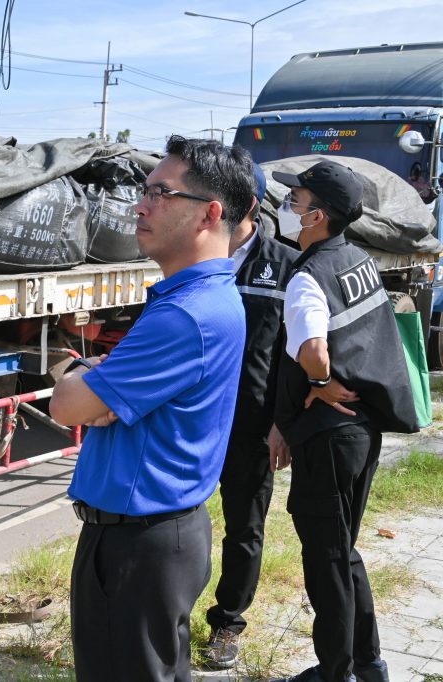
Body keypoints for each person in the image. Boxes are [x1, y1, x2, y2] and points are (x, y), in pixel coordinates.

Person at [49, 135, 252, 681]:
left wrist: (83, 377)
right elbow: (85, 404)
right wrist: (100, 385)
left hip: (141, 543)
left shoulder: (187, 315)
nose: (139, 205)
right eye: (144, 191)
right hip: (140, 536)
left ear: (210, 213)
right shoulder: (192, 300)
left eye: (161, 193)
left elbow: (66, 406)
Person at [269, 160, 420, 682]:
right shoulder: (355, 259)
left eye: (296, 200)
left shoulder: (308, 275)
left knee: (326, 561)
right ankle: (367, 663)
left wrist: (315, 383)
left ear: (318, 215)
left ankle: (337, 672)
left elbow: (312, 349)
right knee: (343, 551)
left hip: (330, 435)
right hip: (359, 431)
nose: (289, 208)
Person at [201, 164, 299, 668]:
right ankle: (169, 608)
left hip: (253, 424)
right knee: (179, 522)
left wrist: (283, 422)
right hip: (194, 420)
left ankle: (228, 623)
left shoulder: (286, 267)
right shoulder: (195, 259)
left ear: (250, 206)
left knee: (244, 528)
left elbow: (293, 355)